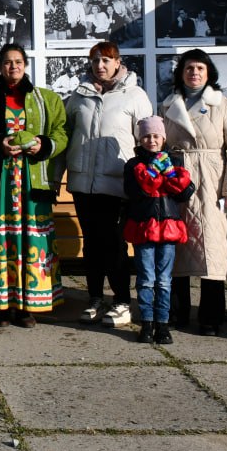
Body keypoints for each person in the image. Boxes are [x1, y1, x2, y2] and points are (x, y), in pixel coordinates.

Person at [0, 43, 69, 327]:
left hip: (31, 185)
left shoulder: (46, 99)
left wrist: (42, 144)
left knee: (29, 239)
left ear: (25, 64)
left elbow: (61, 130)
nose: (14, 67)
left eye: (19, 61)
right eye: (8, 62)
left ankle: (25, 307)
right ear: (0, 66)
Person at [64, 41, 153, 327]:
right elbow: (65, 137)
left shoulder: (135, 96)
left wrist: (146, 182)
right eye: (95, 61)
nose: (100, 66)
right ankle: (94, 299)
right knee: (91, 244)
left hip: (117, 186)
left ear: (118, 63)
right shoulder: (78, 97)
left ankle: (122, 301)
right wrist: (55, 179)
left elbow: (147, 141)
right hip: (83, 184)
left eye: (106, 60)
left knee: (114, 244)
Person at [158, 49, 227, 336]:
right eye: (188, 68)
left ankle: (210, 317)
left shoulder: (222, 105)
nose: (194, 73)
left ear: (209, 73)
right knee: (178, 245)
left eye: (199, 68)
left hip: (211, 181)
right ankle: (178, 313)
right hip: (177, 179)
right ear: (181, 73)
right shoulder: (168, 105)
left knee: (213, 251)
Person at [122, 116, 195, 345]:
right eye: (146, 136)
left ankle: (162, 324)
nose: (151, 140)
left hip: (168, 227)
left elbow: (183, 193)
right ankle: (147, 323)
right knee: (146, 278)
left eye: (156, 136)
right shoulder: (133, 165)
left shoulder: (174, 162)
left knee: (164, 280)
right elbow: (137, 191)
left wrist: (170, 173)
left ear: (163, 138)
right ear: (139, 138)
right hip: (144, 226)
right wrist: (154, 171)